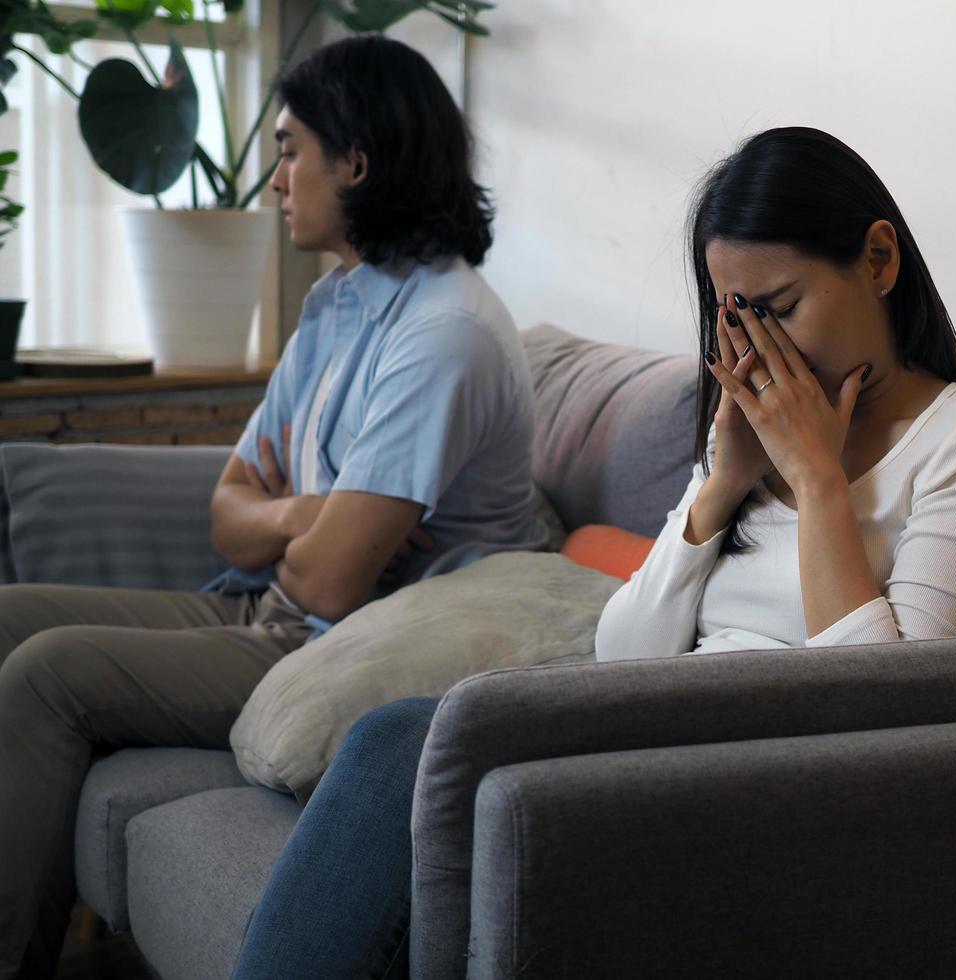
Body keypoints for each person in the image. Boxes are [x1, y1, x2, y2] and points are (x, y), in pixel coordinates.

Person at [228, 126, 956, 979]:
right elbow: (626, 652)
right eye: (742, 319)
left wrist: (818, 481)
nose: (767, 352)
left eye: (786, 306)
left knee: (413, 742)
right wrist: (722, 485)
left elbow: (901, 723)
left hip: (787, 776)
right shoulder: (751, 440)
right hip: (661, 723)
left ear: (878, 260)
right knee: (407, 740)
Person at [0, 35, 547, 979]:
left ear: (358, 162)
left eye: (291, 149)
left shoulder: (444, 334)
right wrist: (306, 513)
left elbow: (334, 579)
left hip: (336, 644)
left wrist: (301, 525)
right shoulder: (341, 302)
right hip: (267, 608)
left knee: (48, 672)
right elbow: (230, 507)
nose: (275, 177)